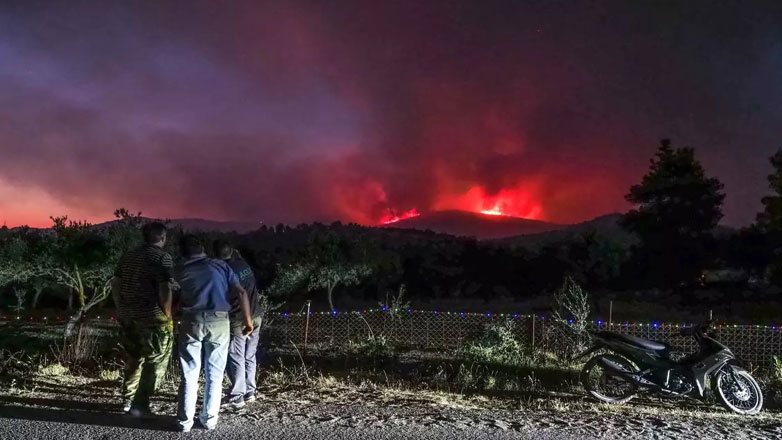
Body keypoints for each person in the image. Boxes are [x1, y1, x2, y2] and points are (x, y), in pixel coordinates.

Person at [174, 235, 253, 432]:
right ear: (203, 249)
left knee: (189, 372)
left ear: (183, 252)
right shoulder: (221, 266)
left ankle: (185, 422)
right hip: (219, 321)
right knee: (214, 374)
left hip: (191, 320)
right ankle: (209, 420)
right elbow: (241, 292)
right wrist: (247, 321)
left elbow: (172, 294)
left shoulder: (180, 270)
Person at [111, 222, 174, 417]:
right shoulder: (163, 258)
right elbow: (164, 289)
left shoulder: (128, 256)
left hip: (129, 317)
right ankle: (142, 403)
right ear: (162, 238)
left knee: (133, 359)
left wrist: (120, 307)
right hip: (153, 320)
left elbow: (116, 283)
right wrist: (168, 314)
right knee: (155, 362)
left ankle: (127, 399)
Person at [213, 240, 263, 408]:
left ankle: (237, 396)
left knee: (236, 356)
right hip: (257, 314)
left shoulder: (223, 270)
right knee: (250, 355)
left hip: (239, 318)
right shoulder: (243, 265)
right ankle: (250, 391)